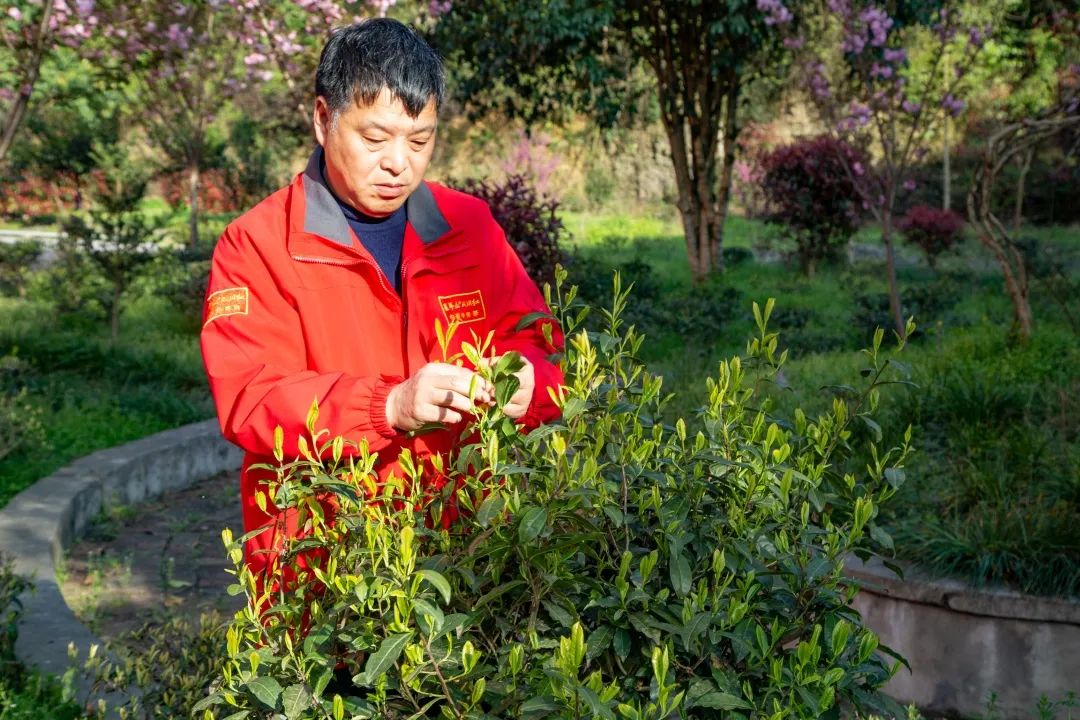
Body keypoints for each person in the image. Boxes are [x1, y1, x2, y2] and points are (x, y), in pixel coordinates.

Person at [200, 18, 563, 594]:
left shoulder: (468, 227)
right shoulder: (257, 245)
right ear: (323, 120)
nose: (400, 163)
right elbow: (250, 396)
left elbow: (538, 345)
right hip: (326, 572)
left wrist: (529, 383)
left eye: (420, 141)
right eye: (375, 139)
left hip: (468, 561)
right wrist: (387, 405)